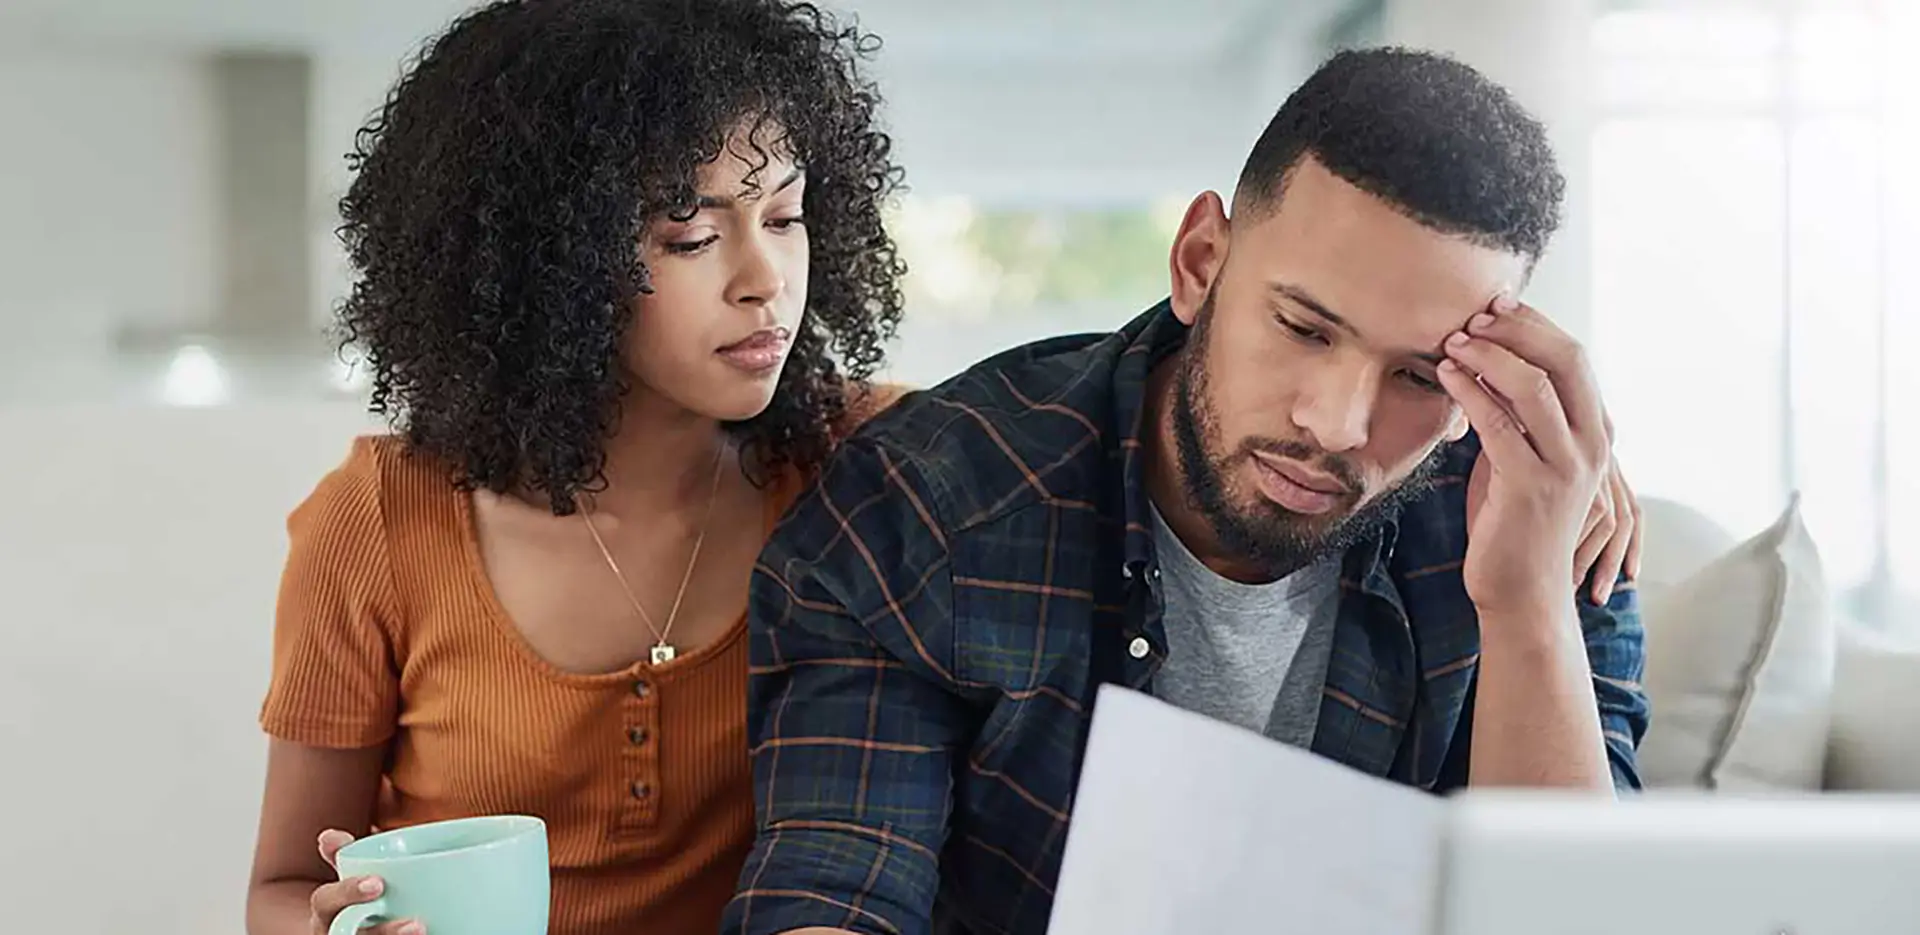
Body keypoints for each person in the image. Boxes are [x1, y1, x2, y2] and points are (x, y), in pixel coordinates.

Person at [723, 47, 1650, 935]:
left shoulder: (1538, 526)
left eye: (1417, 376)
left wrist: (1527, 605)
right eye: (1303, 328)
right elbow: (836, 894)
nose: (1336, 424)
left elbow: (1572, 918)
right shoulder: (933, 504)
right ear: (1200, 262)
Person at [242, 1, 907, 933]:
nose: (767, 279)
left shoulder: (869, 457)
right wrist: (328, 926)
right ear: (548, 261)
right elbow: (278, 888)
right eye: (691, 235)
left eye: (786, 216)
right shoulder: (378, 522)